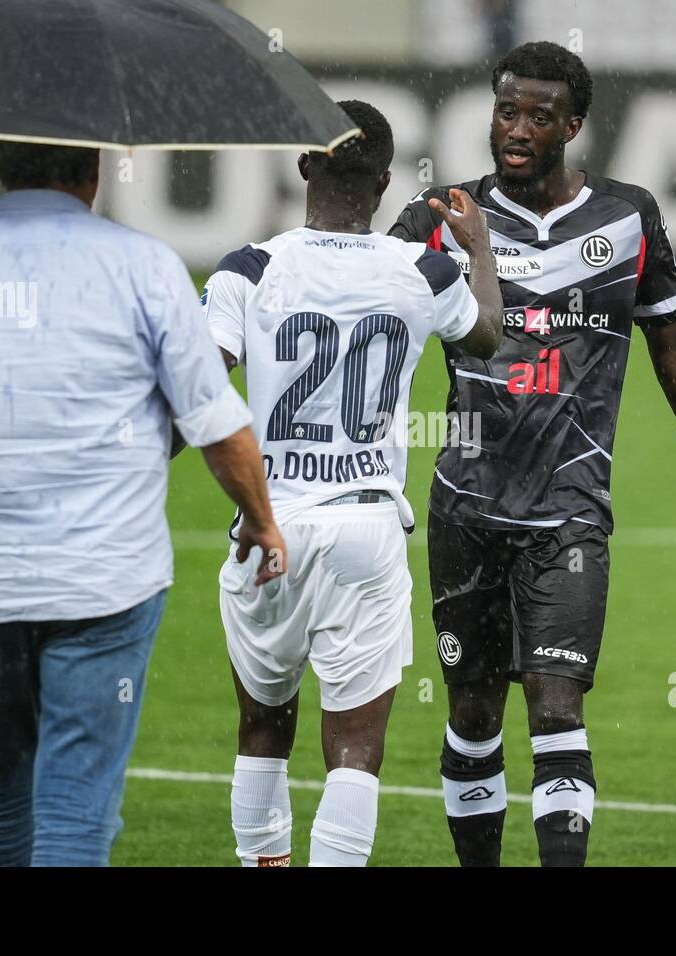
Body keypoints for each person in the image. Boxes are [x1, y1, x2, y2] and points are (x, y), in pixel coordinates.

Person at [387, 42, 676, 866]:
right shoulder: (437, 218)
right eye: (505, 110)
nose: (516, 129)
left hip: (568, 516)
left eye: (536, 115)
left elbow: (674, 348)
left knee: (558, 710)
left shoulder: (628, 218)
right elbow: (372, 330)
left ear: (573, 125)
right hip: (465, 507)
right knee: (472, 714)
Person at [0, 140, 284, 867]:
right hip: (105, 584)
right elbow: (216, 423)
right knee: (75, 807)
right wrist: (261, 517)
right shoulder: (145, 265)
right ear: (94, 173)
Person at [202, 100, 503, 867]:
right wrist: (480, 250)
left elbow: (198, 386)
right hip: (367, 529)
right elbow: (488, 335)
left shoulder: (249, 268)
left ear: (304, 165)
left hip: (269, 528)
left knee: (263, 731)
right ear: (385, 181)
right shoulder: (423, 270)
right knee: (356, 750)